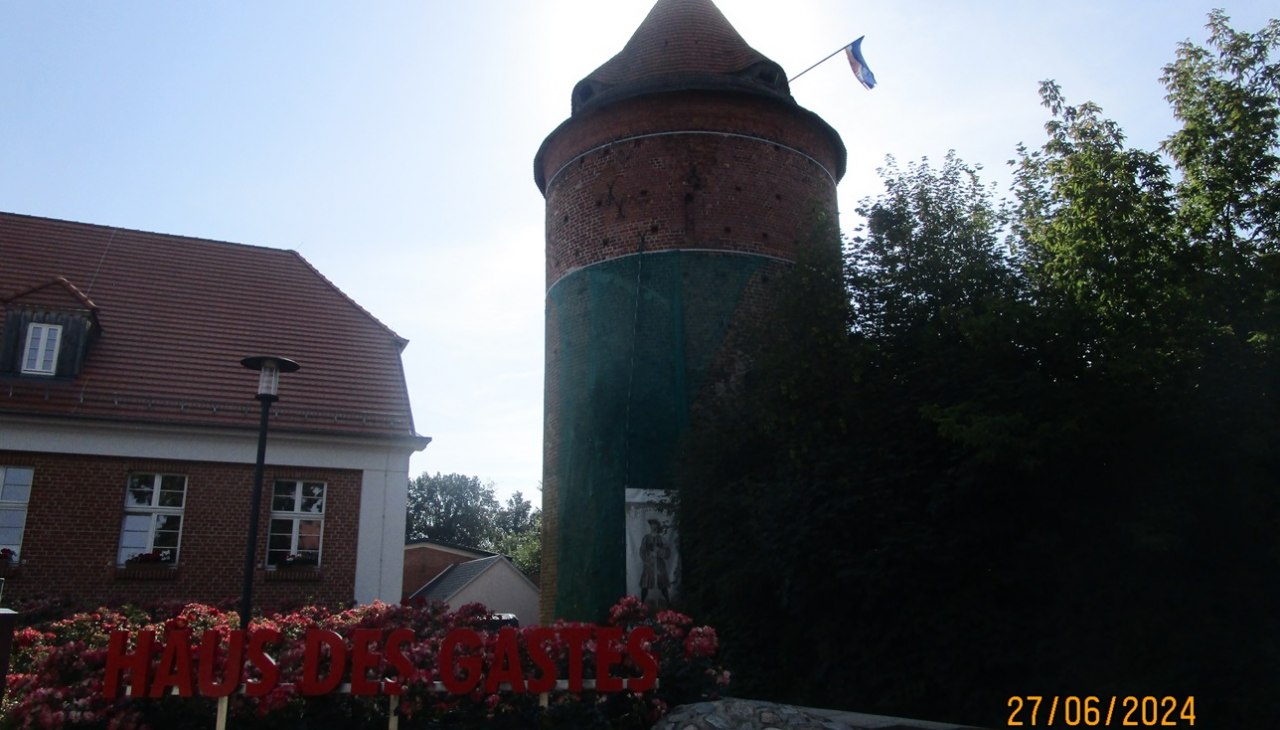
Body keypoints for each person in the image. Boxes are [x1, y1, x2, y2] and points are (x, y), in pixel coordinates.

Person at [640, 518, 671, 606]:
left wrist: (659, 551)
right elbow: (642, 551)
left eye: (655, 524)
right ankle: (641, 603)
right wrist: (648, 556)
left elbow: (667, 552)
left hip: (659, 564)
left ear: (657, 526)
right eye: (651, 525)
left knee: (662, 583)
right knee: (645, 583)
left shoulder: (661, 539)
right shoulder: (646, 538)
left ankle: (668, 602)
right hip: (649, 564)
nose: (653, 526)